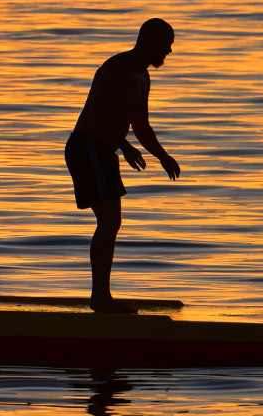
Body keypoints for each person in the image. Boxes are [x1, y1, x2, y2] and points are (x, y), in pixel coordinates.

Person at [65, 19, 181, 313]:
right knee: (109, 221)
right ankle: (100, 298)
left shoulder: (142, 76)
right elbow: (99, 115)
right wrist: (126, 147)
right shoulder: (118, 68)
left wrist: (162, 155)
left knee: (111, 222)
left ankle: (101, 296)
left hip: (103, 148)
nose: (169, 50)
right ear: (150, 42)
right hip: (89, 146)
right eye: (166, 44)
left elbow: (141, 125)